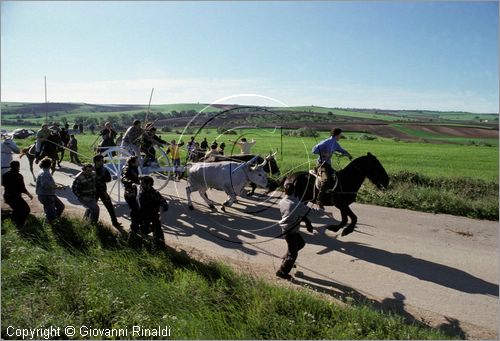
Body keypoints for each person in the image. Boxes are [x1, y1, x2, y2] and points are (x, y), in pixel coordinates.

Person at [276, 182, 333, 280]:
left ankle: (286, 258)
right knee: (293, 255)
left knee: (301, 243)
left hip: (287, 229)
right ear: (294, 191)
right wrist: (322, 210)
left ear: (284, 191)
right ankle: (282, 272)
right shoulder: (296, 205)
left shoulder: (282, 201)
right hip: (291, 232)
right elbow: (311, 212)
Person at [311, 128, 352, 204]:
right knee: (325, 181)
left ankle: (332, 198)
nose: (340, 136)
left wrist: (348, 155)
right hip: (321, 165)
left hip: (328, 166)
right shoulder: (326, 142)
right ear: (337, 135)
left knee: (337, 178)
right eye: (340, 135)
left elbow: (342, 150)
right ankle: (319, 200)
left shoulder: (335, 144)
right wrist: (325, 154)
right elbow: (314, 150)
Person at [137, 175, 168, 246]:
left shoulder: (155, 194)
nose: (141, 185)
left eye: (143, 183)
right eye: (141, 183)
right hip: (143, 218)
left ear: (149, 184)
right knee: (142, 234)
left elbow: (164, 204)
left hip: (153, 217)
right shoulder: (141, 190)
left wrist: (161, 210)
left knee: (159, 238)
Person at [93, 154, 121, 228]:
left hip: (102, 192)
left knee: (110, 208)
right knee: (92, 207)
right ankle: (87, 220)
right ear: (96, 161)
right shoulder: (91, 169)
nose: (103, 162)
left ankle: (115, 222)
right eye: (101, 160)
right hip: (94, 192)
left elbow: (108, 179)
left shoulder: (104, 170)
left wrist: (103, 177)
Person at [2, 160, 33, 226]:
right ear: (17, 167)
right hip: (15, 196)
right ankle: (20, 224)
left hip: (7, 195)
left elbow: (3, 184)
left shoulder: (5, 175)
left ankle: (13, 223)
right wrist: (29, 195)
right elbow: (23, 188)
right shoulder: (19, 176)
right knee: (26, 209)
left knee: (17, 209)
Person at [36, 157, 65, 222]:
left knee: (60, 206)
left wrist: (56, 185)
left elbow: (48, 183)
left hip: (49, 194)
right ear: (49, 164)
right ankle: (50, 223)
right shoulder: (45, 173)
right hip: (45, 196)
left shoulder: (44, 171)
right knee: (50, 214)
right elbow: (45, 185)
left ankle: (55, 219)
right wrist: (56, 187)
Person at [121, 156, 142, 234]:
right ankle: (133, 228)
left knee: (136, 209)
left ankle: (135, 226)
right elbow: (124, 178)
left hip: (134, 191)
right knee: (134, 210)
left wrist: (139, 179)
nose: (138, 162)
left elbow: (135, 177)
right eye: (137, 161)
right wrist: (131, 182)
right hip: (129, 193)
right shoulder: (126, 169)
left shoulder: (134, 168)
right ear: (133, 163)